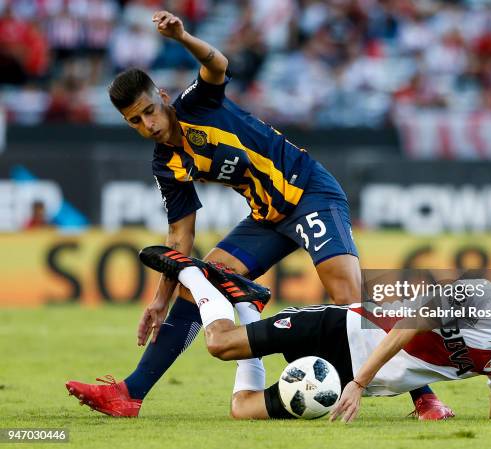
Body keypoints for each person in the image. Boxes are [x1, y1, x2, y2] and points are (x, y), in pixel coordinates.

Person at [65, 10, 449, 419]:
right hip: (267, 216)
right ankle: (131, 393)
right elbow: (180, 238)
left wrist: (182, 36)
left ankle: (425, 398)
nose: (148, 124)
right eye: (134, 121)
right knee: (199, 281)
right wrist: (160, 300)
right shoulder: (167, 164)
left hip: (310, 193)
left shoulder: (196, 104)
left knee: (349, 301)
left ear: (161, 95)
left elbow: (217, 64)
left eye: (148, 110)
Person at [71, 246, 491, 421]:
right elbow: (411, 320)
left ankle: (249, 302)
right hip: (342, 329)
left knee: (241, 410)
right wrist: (362, 381)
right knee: (218, 345)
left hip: (346, 376)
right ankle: (191, 273)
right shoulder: (484, 297)